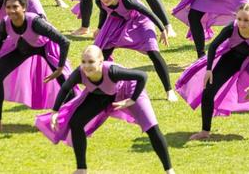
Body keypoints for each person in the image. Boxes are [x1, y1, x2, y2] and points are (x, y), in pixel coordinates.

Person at [35, 44, 174, 173]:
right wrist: (54, 111)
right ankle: (81, 169)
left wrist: (132, 99)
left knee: (151, 127)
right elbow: (65, 88)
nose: (86, 66)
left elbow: (142, 76)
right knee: (76, 122)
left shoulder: (113, 71)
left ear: (101, 62)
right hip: (102, 94)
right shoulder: (80, 73)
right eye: (83, 62)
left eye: (91, 62)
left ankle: (169, 170)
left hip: (128, 90)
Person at [176, 3, 249, 142]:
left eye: (246, 20)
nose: (242, 23)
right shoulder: (232, 27)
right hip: (231, 58)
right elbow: (213, 47)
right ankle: (205, 131)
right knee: (208, 89)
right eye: (239, 19)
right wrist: (209, 69)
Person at [0, 0, 69, 133]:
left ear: (23, 7)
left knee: (66, 83)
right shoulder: (6, 23)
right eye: (8, 7)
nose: (11, 11)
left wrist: (59, 68)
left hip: (43, 48)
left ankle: (69, 120)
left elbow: (64, 41)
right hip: (20, 49)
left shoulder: (36, 22)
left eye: (15, 7)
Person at [92, 0, 174, 100]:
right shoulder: (99, 1)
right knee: (101, 52)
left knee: (154, 54)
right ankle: (100, 88)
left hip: (141, 21)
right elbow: (104, 12)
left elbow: (148, 12)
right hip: (121, 20)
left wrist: (162, 29)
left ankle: (169, 91)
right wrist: (99, 29)